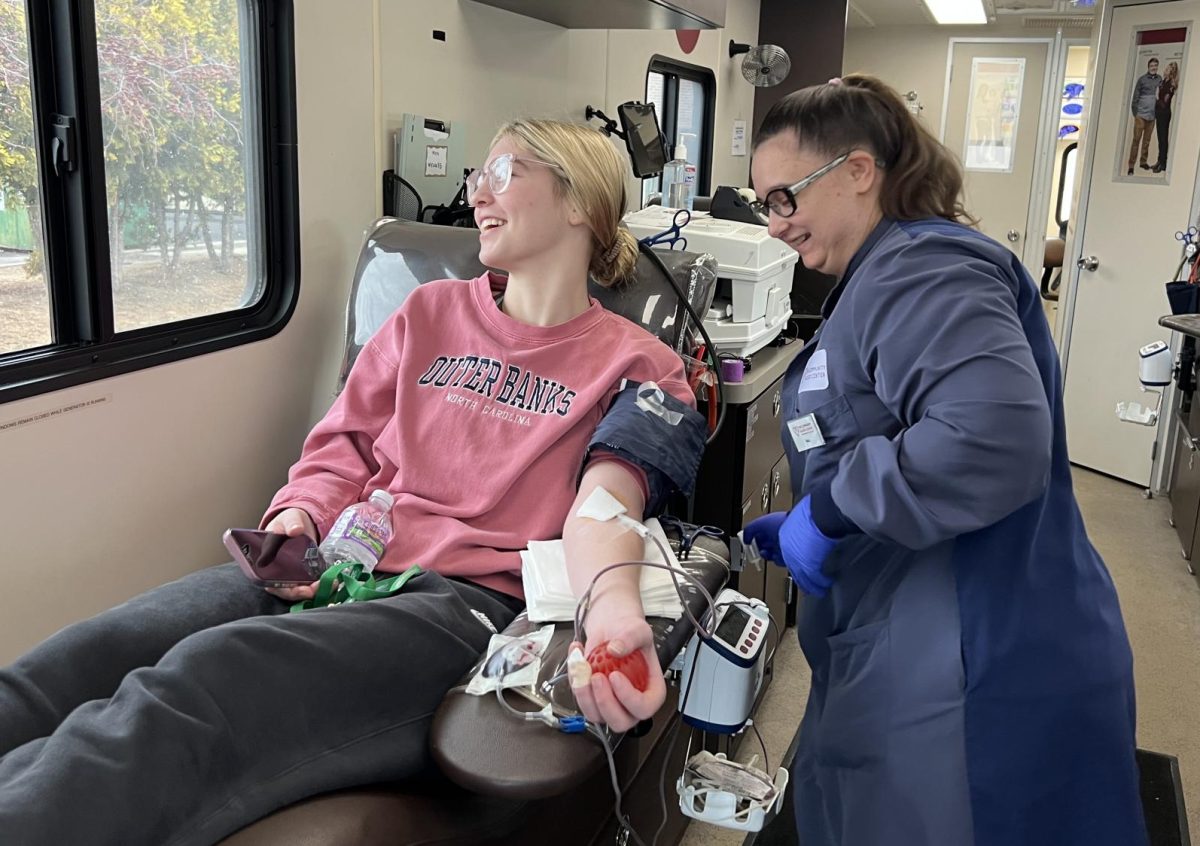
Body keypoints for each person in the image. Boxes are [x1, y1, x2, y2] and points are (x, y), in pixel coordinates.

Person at [0, 119, 706, 845]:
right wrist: (297, 521)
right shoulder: (427, 313)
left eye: (505, 173)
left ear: (577, 201)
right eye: (477, 175)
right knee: (93, 650)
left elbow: (605, 507)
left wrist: (613, 611)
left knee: (199, 686)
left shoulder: (640, 365)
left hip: (459, 605)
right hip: (338, 560)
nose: (477, 192)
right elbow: (344, 443)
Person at [744, 75, 1145, 846]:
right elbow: (891, 424)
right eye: (764, 204)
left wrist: (828, 512)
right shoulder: (882, 274)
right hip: (916, 636)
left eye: (783, 198)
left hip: (973, 665)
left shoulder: (919, 268)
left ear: (858, 170)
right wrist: (817, 508)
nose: (772, 224)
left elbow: (988, 438)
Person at [1128, 57, 1162, 174]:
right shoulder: (1142, 80)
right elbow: (1135, 97)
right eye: (1152, 65)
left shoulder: (1159, 79)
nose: (1154, 67)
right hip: (1141, 115)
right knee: (1136, 140)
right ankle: (1131, 165)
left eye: (1156, 65)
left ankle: (1143, 162)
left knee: (1146, 141)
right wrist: (1135, 113)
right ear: (1148, 67)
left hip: (1152, 117)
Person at [1153, 61, 1180, 173]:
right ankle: (1160, 161)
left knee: (1163, 138)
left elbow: (1165, 102)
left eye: (1168, 69)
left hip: (1164, 113)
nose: (1165, 70)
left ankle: (1163, 162)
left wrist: (1156, 99)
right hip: (1159, 112)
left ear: (1171, 72)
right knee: (1160, 138)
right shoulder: (1163, 81)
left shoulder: (1171, 85)